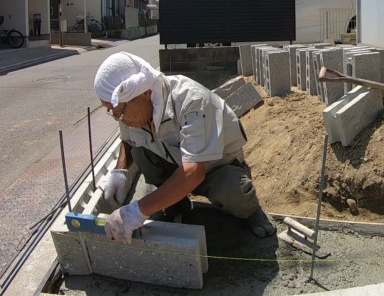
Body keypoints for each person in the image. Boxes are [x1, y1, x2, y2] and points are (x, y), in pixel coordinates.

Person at [93, 51, 275, 244]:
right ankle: (176, 204)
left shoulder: (192, 101)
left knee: (234, 192)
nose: (118, 118)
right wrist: (119, 171)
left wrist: (137, 211)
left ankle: (250, 211)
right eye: (112, 112)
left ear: (145, 93)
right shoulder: (131, 112)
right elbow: (128, 141)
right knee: (141, 153)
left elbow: (193, 172)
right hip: (178, 164)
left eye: (119, 111)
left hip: (217, 167)